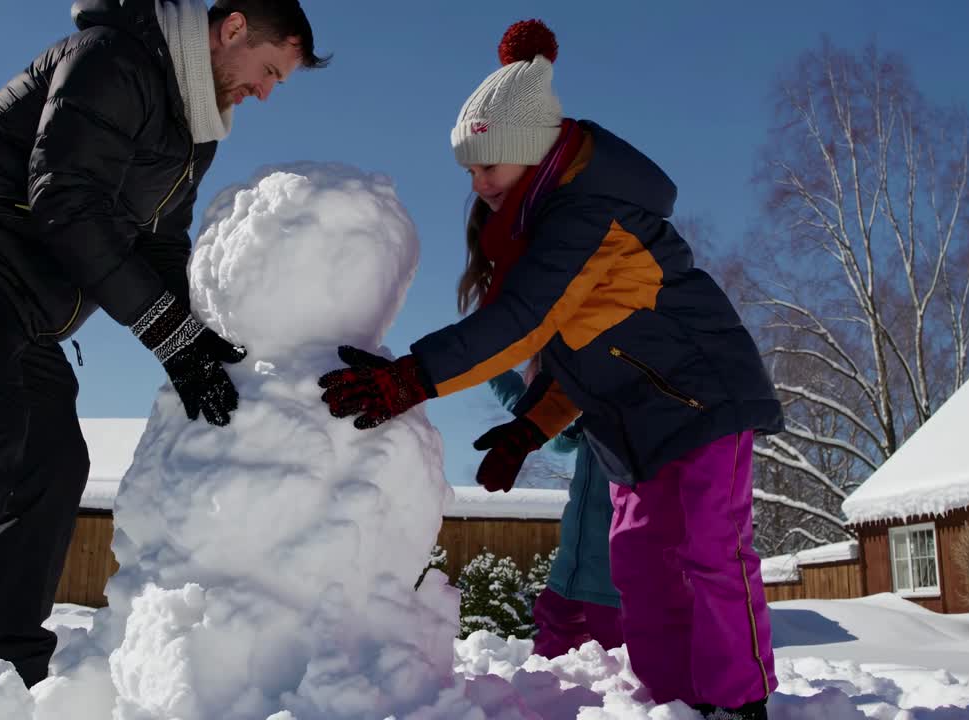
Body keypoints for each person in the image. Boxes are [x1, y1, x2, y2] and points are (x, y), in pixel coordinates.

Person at [0, 1, 326, 717]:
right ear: (231, 29)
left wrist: (195, 347)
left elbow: (161, 245)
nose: (264, 93)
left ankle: (6, 678)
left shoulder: (195, 131)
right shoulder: (115, 58)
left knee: (54, 461)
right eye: (267, 71)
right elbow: (66, 201)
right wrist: (169, 333)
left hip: (22, 306)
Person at [318, 19, 781, 720]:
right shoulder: (542, 223)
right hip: (634, 424)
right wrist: (529, 430)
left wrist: (411, 378)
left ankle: (739, 701)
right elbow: (579, 355)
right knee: (636, 564)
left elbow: (521, 323)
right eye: (469, 171)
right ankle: (679, 701)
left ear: (529, 153)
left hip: (703, 401)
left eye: (487, 167)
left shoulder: (589, 214)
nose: (477, 185)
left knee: (712, 549)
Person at [487, 365, 622, 658]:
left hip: (616, 583)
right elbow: (555, 433)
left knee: (628, 675)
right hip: (571, 576)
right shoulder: (588, 401)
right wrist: (491, 366)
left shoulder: (641, 391)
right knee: (548, 678)